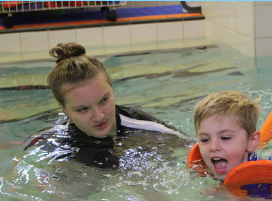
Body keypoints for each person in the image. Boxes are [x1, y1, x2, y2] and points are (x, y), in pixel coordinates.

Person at [24, 42, 189, 168]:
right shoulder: (48, 140)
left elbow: (194, 148)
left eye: (104, 100)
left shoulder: (148, 129)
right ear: (64, 109)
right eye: (83, 109)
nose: (99, 116)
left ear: (112, 88)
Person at [193, 91, 261, 180]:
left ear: (252, 141)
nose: (213, 147)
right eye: (205, 140)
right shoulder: (201, 172)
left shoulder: (262, 179)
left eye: (225, 138)